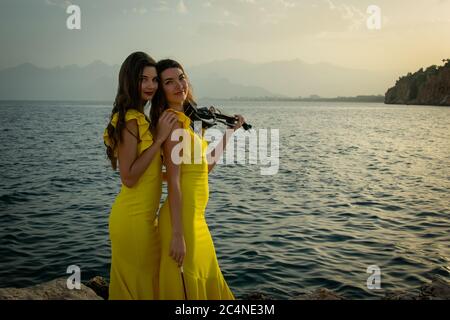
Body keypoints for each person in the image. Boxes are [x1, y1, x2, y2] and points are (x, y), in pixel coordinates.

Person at [150, 59, 244, 300]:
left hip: (196, 219)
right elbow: (174, 182)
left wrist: (230, 132)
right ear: (161, 89)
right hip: (182, 222)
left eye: (181, 78)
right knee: (188, 291)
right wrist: (178, 235)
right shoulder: (172, 123)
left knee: (207, 282)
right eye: (169, 82)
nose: (178, 85)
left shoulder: (189, 121)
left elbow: (204, 168)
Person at [103, 52, 177, 299]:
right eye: (143, 79)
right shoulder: (129, 121)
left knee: (146, 286)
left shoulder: (140, 118)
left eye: (155, 80)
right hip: (132, 220)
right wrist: (159, 140)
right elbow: (129, 177)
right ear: (129, 81)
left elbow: (150, 174)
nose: (150, 86)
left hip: (145, 220)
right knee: (143, 288)